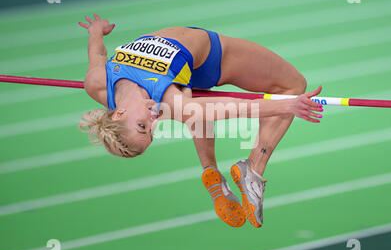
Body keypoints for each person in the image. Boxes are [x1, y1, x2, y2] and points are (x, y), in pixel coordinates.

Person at [78, 14, 323, 228]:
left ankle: (211, 171)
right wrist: (289, 103)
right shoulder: (169, 103)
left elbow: (98, 54)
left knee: (188, 107)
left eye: (143, 126)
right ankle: (254, 169)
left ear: (118, 113)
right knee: (292, 85)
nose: (153, 121)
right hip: (212, 57)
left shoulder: (98, 84)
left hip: (184, 74)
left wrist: (96, 32)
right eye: (151, 132)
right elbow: (234, 106)